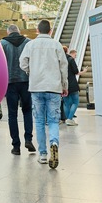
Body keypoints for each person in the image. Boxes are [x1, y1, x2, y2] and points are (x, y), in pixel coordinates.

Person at [19, 19, 68, 169]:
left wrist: (30, 71)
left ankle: (43, 154)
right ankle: (54, 142)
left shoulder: (30, 45)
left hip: (36, 87)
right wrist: (64, 86)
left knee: (39, 121)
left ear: (37, 30)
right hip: (54, 88)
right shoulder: (56, 45)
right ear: (50, 31)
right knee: (53, 121)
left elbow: (22, 63)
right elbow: (63, 67)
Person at [0, 24, 35, 155]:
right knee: (27, 111)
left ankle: (16, 146)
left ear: (8, 32)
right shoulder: (28, 43)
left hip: (10, 83)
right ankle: (28, 139)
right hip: (26, 81)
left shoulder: (2, 43)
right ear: (19, 31)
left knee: (12, 114)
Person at [62, 46, 87, 126]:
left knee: (66, 103)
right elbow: (76, 71)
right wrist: (84, 71)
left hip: (62, 84)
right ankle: (69, 119)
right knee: (75, 102)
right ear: (67, 51)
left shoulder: (58, 60)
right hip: (72, 84)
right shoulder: (70, 59)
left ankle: (68, 119)